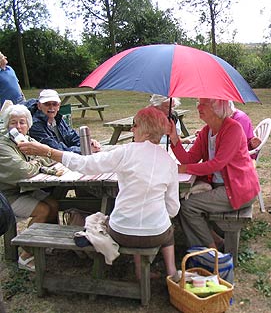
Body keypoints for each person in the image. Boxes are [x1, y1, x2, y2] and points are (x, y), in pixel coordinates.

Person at [18, 106, 180, 279]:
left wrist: (47, 151)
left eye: (135, 125)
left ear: (146, 131)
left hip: (122, 233)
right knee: (167, 231)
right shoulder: (169, 162)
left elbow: (84, 164)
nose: (132, 129)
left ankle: (139, 270)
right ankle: (171, 271)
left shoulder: (125, 152)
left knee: (119, 218)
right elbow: (173, 209)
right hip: (157, 234)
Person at [168, 98, 260, 248]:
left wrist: (184, 169)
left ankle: (210, 251)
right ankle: (215, 241)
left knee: (187, 206)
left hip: (238, 189)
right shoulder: (207, 131)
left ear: (218, 108)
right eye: (198, 103)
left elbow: (217, 164)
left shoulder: (233, 129)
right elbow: (189, 158)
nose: (198, 107)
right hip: (220, 185)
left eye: (204, 104)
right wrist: (174, 138)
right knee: (180, 201)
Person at [0, 104, 58, 272]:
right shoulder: (3, 145)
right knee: (43, 210)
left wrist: (37, 161)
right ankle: (25, 255)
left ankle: (45, 244)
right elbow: (24, 171)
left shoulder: (27, 139)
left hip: (25, 190)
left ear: (28, 124)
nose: (18, 127)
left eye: (22, 122)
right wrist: (38, 161)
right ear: (6, 125)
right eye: (13, 123)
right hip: (7, 197)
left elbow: (50, 157)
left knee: (54, 204)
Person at [29, 89, 101, 154]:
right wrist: (84, 149)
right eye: (47, 104)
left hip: (67, 157)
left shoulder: (58, 118)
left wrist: (88, 143)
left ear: (59, 106)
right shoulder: (35, 125)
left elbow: (71, 136)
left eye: (55, 104)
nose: (51, 107)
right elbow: (55, 150)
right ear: (39, 106)